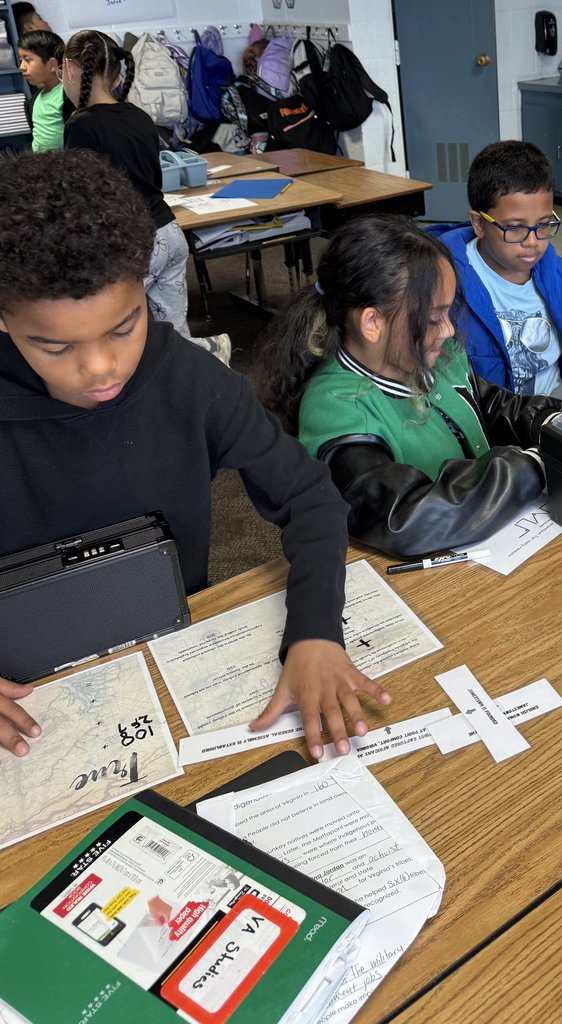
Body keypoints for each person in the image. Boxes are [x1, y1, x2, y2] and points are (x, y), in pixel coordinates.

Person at [0, 149, 389, 760]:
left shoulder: (191, 380)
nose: (100, 368)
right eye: (53, 346)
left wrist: (315, 632)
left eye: (123, 328)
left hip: (171, 648)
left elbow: (311, 496)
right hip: (24, 685)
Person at [261, 214, 562, 558]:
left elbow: (487, 404)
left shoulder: (436, 356)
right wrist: (531, 466)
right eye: (433, 318)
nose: (449, 330)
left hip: (493, 534)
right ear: (372, 322)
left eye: (448, 313)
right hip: (435, 569)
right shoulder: (335, 409)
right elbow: (404, 518)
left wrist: (552, 426)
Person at [60, 30, 230, 363]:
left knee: (115, 334)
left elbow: (85, 198)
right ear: (118, 74)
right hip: (168, 233)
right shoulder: (139, 116)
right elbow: (154, 178)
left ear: (69, 68)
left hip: (130, 244)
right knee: (172, 333)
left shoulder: (80, 125)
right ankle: (207, 358)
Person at [426, 140, 562, 408]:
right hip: (488, 414)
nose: (532, 242)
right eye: (515, 228)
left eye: (543, 225)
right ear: (479, 223)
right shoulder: (439, 287)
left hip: (552, 399)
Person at [17, 29, 64, 152]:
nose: (21, 67)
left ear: (52, 64)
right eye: (20, 60)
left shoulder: (68, 95)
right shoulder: (35, 99)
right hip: (41, 166)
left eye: (27, 60)